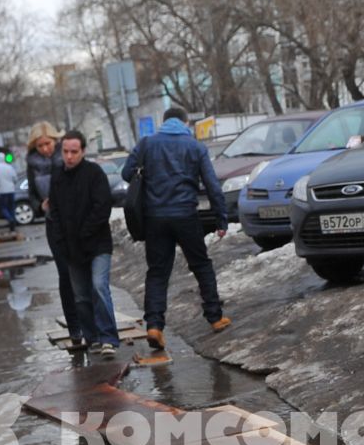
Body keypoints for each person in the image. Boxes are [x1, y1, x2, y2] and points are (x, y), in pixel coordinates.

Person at [122, 106, 231, 354]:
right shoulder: (194, 147)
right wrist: (221, 219)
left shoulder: (147, 144)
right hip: (185, 216)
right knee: (201, 265)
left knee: (158, 272)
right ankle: (215, 317)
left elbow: (127, 173)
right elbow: (213, 186)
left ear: (164, 122)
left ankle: (154, 326)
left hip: (155, 218)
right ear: (184, 123)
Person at [46, 131, 120, 356]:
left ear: (83, 151)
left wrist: (84, 232)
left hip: (97, 243)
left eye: (74, 152)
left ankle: (108, 337)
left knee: (98, 286)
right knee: (80, 296)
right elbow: (54, 211)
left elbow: (102, 207)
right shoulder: (58, 176)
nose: (69, 156)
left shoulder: (94, 173)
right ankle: (92, 337)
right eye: (66, 151)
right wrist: (61, 240)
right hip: (71, 248)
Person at [25, 122, 84, 348]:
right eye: (39, 146)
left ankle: (92, 322)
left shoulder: (67, 156)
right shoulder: (32, 164)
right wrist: (40, 205)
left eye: (47, 144)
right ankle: (75, 328)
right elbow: (31, 194)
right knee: (65, 275)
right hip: (54, 224)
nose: (45, 149)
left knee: (83, 271)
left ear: (55, 140)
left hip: (76, 221)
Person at [0, 151, 20, 225]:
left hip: (2, 191)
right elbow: (15, 178)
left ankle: (10, 219)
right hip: (11, 190)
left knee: (3, 207)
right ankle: (13, 222)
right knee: (11, 207)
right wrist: (12, 184)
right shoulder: (9, 167)